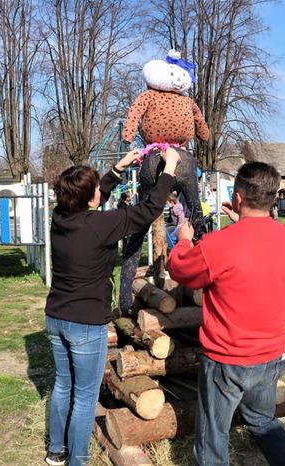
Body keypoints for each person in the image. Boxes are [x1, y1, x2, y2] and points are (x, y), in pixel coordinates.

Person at [44, 147, 181, 466]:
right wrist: (170, 169)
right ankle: (78, 460)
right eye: (96, 187)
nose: (99, 191)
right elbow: (148, 210)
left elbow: (90, 197)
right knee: (85, 395)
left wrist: (118, 168)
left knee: (63, 384)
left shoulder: (60, 217)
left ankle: (56, 451)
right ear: (89, 198)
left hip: (56, 317)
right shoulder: (100, 224)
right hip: (85, 323)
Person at [167, 162, 285, 466]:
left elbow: (180, 269)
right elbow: (261, 255)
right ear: (272, 197)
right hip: (271, 355)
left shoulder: (218, 244)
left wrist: (184, 239)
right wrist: (242, 224)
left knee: (212, 437)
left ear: (238, 198)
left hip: (228, 359)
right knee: (263, 421)